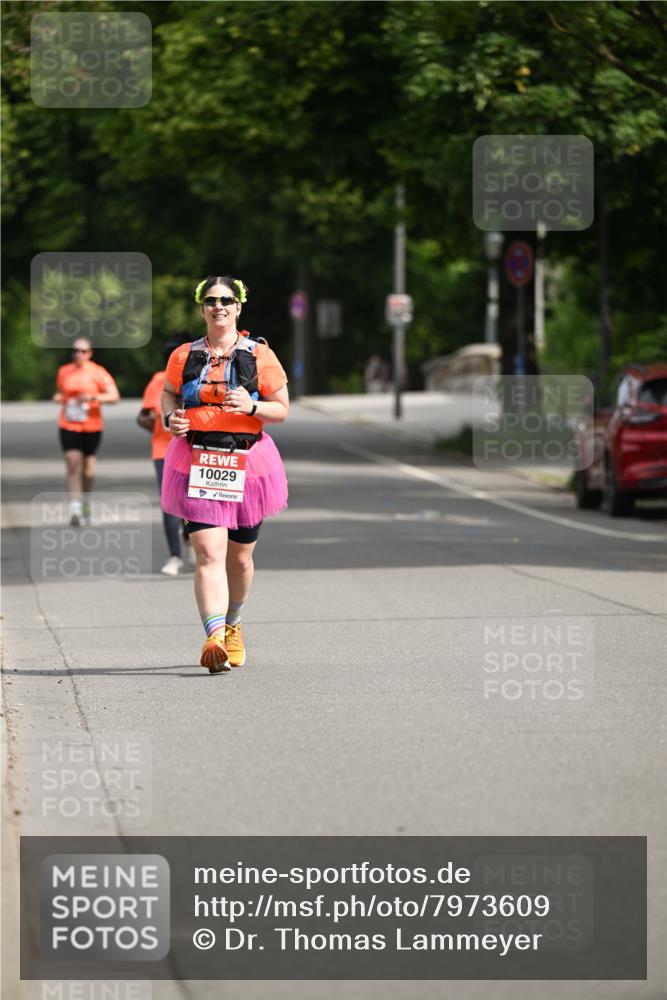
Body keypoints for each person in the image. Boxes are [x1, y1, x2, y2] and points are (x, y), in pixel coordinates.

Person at [160, 276, 289, 673]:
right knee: (207, 553)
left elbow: (282, 408)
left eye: (227, 301)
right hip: (197, 459)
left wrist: (252, 409)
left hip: (248, 464)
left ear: (239, 307)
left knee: (241, 558)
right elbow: (168, 392)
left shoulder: (260, 355)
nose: (219, 307)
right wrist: (171, 418)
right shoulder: (183, 355)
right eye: (211, 301)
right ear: (202, 308)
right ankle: (213, 637)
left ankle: (233, 624)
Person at [137, 336, 193, 576]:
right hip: (164, 449)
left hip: (195, 448)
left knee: (194, 501)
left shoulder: (201, 376)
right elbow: (143, 416)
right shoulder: (159, 381)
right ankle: (174, 556)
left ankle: (191, 539)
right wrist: (154, 421)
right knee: (169, 502)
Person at [53, 337, 120, 525]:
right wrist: (59, 397)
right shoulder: (64, 371)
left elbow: (114, 396)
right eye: (75, 351)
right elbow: (61, 392)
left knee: (88, 470)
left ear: (90, 353)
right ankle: (74, 508)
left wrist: (92, 397)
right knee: (73, 462)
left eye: (83, 351)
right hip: (68, 424)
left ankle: (85, 502)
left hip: (92, 425)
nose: (78, 354)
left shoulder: (98, 372)